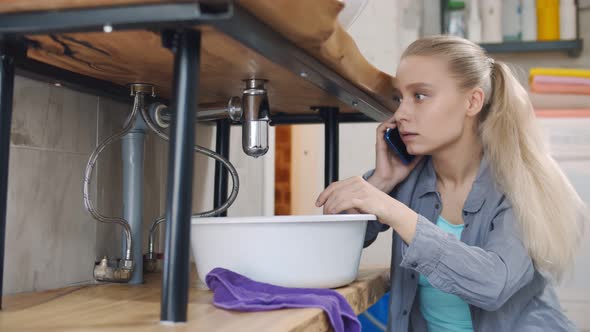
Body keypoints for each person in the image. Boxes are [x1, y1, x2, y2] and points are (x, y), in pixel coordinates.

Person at [315, 35, 586, 331]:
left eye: (420, 96)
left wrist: (392, 209)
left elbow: (493, 284)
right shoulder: (407, 179)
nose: (401, 114)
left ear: (472, 102)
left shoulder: (517, 183)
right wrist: (382, 180)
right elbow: (330, 252)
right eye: (399, 98)